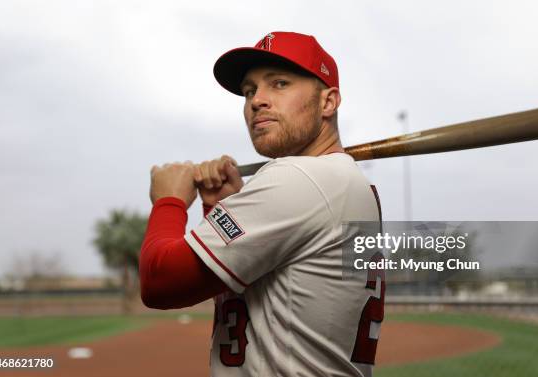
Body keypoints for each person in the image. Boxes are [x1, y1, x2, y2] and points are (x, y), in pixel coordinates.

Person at [139, 31, 385, 376]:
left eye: (280, 84)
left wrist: (169, 201)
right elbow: (250, 294)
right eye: (249, 90)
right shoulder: (336, 182)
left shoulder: (300, 178)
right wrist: (222, 207)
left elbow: (160, 282)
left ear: (328, 103)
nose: (257, 100)